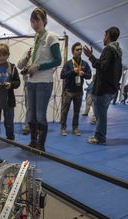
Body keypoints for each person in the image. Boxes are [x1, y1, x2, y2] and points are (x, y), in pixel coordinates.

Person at [22, 7, 62, 151]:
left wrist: (38, 67)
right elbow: (35, 60)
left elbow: (58, 60)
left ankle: (41, 145)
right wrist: (29, 68)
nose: (34, 24)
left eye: (37, 20)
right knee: (31, 115)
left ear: (44, 20)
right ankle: (33, 142)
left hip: (44, 82)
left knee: (40, 115)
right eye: (32, 21)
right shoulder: (36, 39)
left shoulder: (51, 37)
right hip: (31, 82)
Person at [84, 26, 122, 144]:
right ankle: (100, 136)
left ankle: (100, 137)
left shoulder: (109, 50)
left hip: (103, 88)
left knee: (100, 114)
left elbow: (102, 66)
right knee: (101, 113)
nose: (103, 38)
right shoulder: (118, 51)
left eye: (104, 35)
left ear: (108, 36)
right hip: (111, 88)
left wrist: (91, 57)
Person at [60, 42, 91, 136]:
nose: (80, 51)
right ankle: (63, 128)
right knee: (64, 111)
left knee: (77, 112)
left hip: (79, 92)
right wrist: (73, 71)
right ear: (73, 51)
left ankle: (75, 128)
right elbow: (62, 75)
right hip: (68, 91)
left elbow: (89, 76)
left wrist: (83, 74)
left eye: (81, 49)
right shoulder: (68, 64)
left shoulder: (85, 64)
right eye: (77, 49)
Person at [17, 48, 32, 135]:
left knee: (38, 107)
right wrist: (27, 57)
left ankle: (36, 126)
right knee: (29, 106)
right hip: (29, 83)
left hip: (41, 83)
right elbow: (19, 65)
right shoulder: (28, 51)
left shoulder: (44, 52)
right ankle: (28, 126)